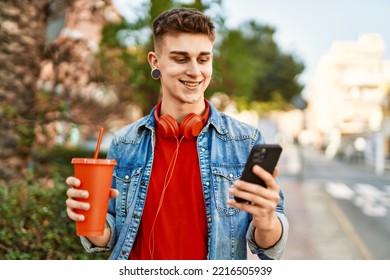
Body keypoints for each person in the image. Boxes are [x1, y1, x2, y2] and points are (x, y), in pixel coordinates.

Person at [65, 7, 288, 260]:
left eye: (203, 59)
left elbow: (269, 248)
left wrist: (267, 221)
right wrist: (89, 219)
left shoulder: (245, 141)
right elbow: (109, 237)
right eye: (181, 59)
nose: (195, 71)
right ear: (155, 62)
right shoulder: (125, 142)